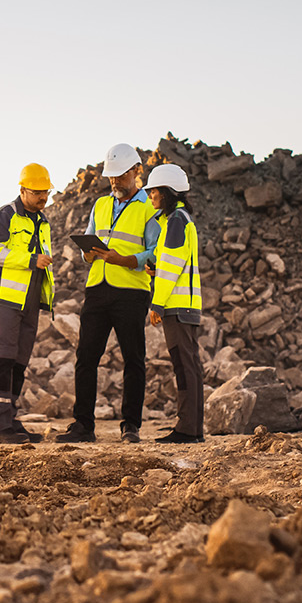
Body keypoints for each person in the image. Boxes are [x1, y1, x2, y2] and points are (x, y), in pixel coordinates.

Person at [59, 143, 160, 444]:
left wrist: (126, 260)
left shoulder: (149, 208)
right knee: (86, 357)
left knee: (133, 359)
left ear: (137, 171)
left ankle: (131, 426)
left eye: (120, 175)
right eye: (111, 176)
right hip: (97, 289)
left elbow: (155, 252)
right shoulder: (100, 205)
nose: (115, 181)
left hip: (131, 292)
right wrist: (87, 254)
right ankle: (83, 425)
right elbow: (88, 245)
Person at [0, 163, 56, 444]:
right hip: (4, 300)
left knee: (19, 362)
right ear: (22, 190)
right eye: (37, 192)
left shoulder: (43, 222)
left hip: (30, 301)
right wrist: (30, 260)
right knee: (2, 359)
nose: (43, 197)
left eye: (46, 192)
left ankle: (9, 420)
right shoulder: (5, 216)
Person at [145, 163, 205, 443]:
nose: (150, 195)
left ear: (167, 191)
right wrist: (155, 269)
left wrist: (157, 304)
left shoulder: (176, 221)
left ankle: (187, 430)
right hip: (185, 305)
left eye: (154, 190)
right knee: (189, 365)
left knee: (184, 366)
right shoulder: (179, 219)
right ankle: (192, 428)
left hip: (177, 307)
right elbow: (173, 264)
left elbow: (171, 267)